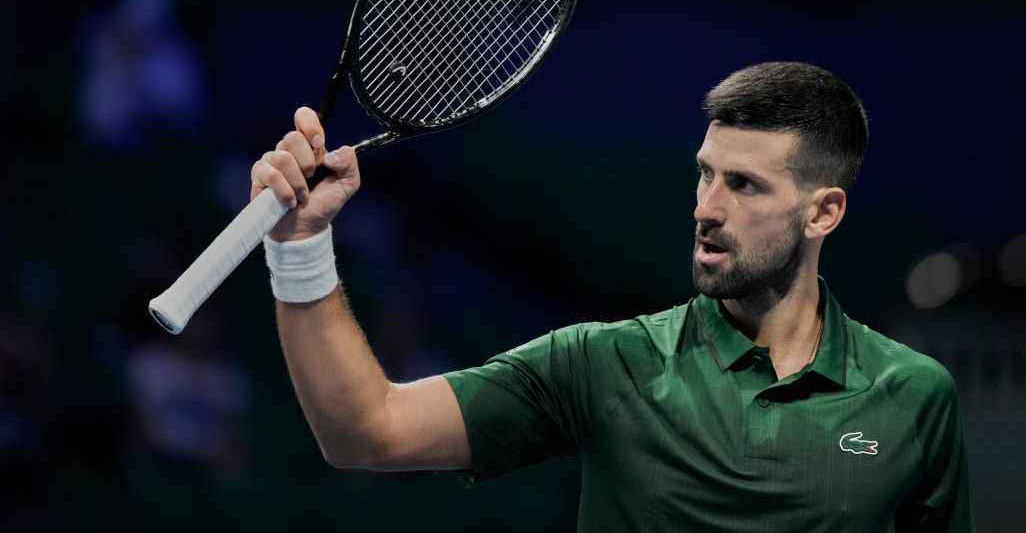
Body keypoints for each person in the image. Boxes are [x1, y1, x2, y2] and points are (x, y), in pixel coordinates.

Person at [251, 61, 977, 532]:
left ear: (823, 213)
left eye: (745, 185)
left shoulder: (915, 398)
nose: (706, 207)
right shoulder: (603, 365)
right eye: (705, 174)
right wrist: (300, 245)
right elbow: (366, 430)